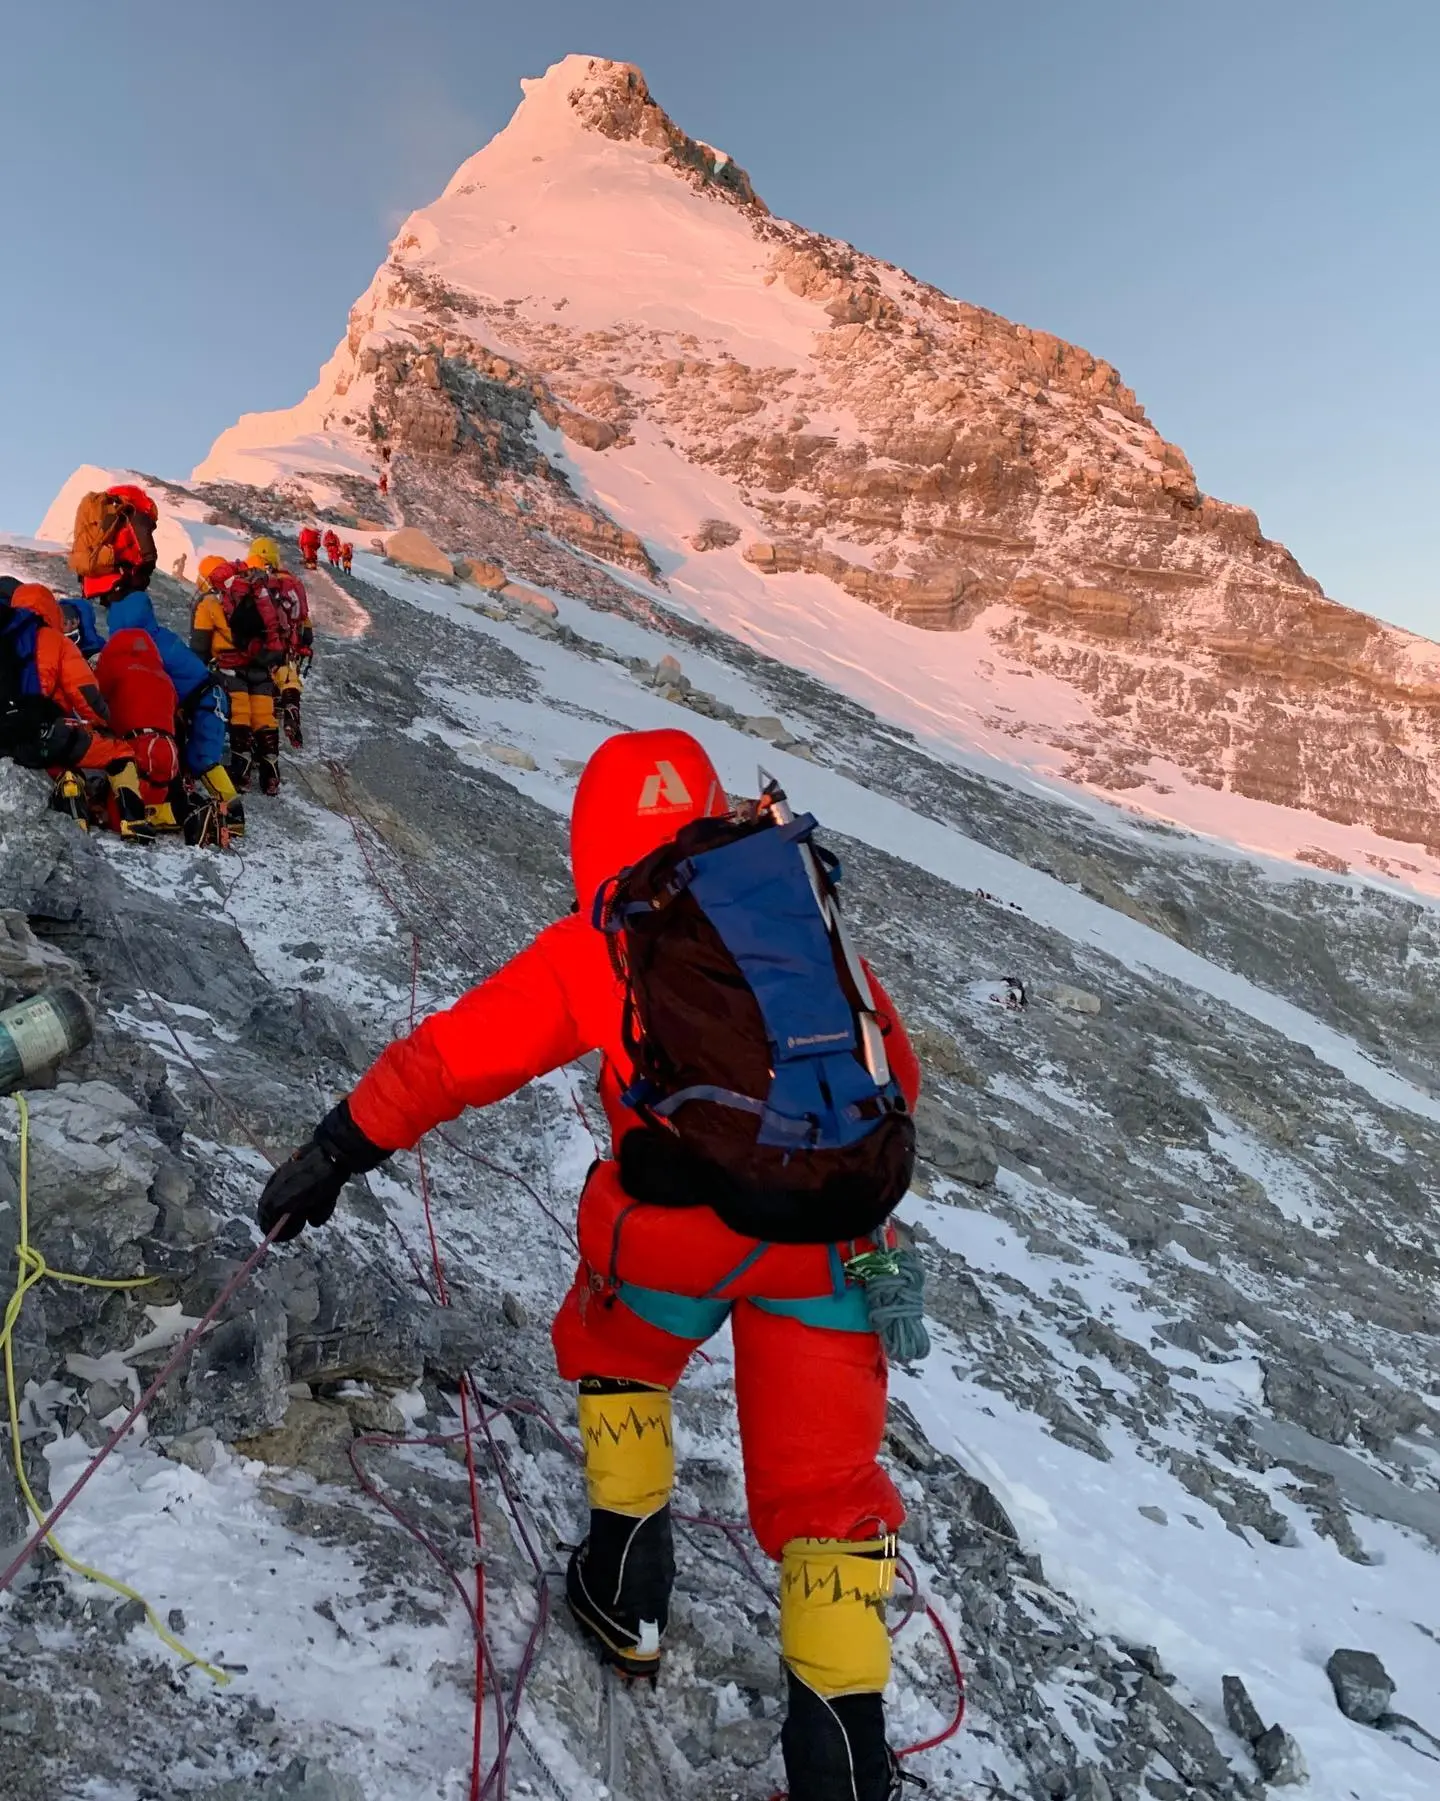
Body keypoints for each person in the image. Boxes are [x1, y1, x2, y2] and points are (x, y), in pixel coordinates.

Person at [256, 729, 923, 1801]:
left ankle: (626, 1585)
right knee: (827, 1489)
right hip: (831, 1245)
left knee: (620, 1348)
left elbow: (452, 1058)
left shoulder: (602, 939)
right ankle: (841, 1758)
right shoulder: (796, 919)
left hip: (670, 1240)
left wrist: (338, 1147)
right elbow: (903, 1076)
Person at [66, 484, 236, 828]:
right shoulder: (148, 637)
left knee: (183, 757)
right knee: (198, 759)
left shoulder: (129, 637)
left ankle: (160, 810)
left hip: (175, 709)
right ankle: (227, 813)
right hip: (202, 698)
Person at [2, 584, 155, 839]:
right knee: (117, 751)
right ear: (51, 609)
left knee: (50, 757)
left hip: (7, 739)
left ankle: (68, 786)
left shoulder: (4, 638)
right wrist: (103, 723)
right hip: (46, 732)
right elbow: (87, 695)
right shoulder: (56, 641)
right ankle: (132, 820)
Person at [191, 548, 287, 797]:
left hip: (229, 668)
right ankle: (271, 775)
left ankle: (241, 772)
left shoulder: (209, 604)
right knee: (265, 716)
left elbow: (200, 647)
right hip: (261, 666)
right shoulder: (258, 599)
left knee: (240, 715)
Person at [94, 628, 182, 832]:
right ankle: (174, 814)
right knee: (153, 807)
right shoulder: (164, 677)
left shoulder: (116, 665)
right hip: (168, 750)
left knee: (120, 821)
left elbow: (95, 694)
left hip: (137, 747)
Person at [247, 539, 313, 750]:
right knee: (286, 678)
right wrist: (302, 642)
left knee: (259, 696)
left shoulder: (249, 581)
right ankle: (291, 705)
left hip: (257, 647)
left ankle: (259, 744)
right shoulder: (292, 582)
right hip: (286, 645)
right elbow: (303, 618)